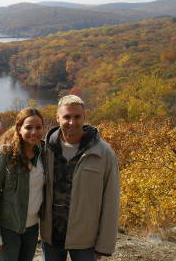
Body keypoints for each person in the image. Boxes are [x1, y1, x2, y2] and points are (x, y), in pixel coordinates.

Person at [40, 95, 120, 261]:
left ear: (84, 117)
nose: (72, 122)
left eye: (77, 117)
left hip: (86, 240)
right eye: (66, 117)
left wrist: (104, 244)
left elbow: (111, 200)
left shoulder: (103, 153)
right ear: (57, 118)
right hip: (51, 236)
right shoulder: (45, 149)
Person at [0, 108, 45, 261]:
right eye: (28, 127)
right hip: (8, 228)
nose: (34, 132)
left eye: (38, 127)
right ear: (19, 128)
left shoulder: (45, 152)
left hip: (32, 229)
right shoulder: (4, 154)